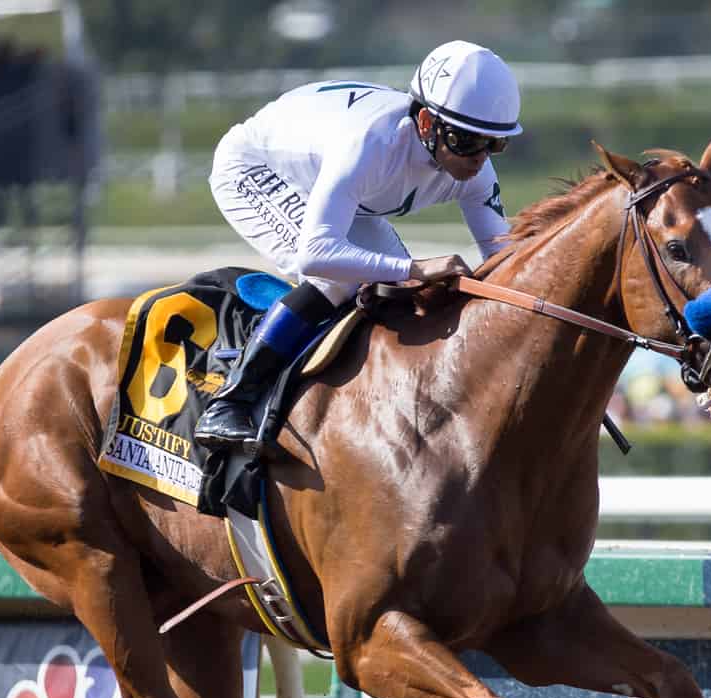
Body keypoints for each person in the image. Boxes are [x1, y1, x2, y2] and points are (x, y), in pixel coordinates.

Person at [193, 40, 522, 452]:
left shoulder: (475, 169)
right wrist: (416, 268)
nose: (478, 159)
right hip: (255, 166)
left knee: (403, 298)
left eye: (494, 143)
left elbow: (505, 261)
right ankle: (229, 402)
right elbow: (317, 253)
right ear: (425, 124)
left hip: (332, 178)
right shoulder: (372, 145)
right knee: (337, 279)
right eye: (465, 141)